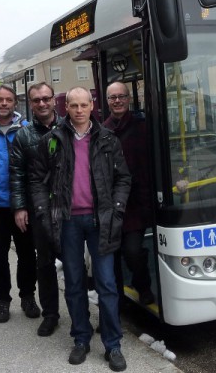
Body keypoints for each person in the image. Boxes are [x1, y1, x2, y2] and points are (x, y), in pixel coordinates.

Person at [29, 86, 131, 370]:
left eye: (83, 105)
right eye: (73, 105)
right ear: (66, 108)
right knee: (74, 284)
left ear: (92, 106)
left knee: (107, 285)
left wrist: (118, 209)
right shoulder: (53, 140)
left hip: (101, 221)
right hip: (68, 221)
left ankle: (113, 345)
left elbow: (123, 178)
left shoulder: (108, 139)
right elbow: (37, 179)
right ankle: (81, 339)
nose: (79, 110)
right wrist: (44, 212)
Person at [0, 85, 40, 324]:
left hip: (23, 205)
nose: (4, 104)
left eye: (9, 100)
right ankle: (2, 300)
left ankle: (28, 296)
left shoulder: (27, 130)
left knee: (26, 254)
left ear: (15, 103)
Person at [9, 82, 62, 336]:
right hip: (39, 208)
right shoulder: (23, 135)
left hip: (70, 207)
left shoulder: (70, 127)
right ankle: (50, 315)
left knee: (74, 264)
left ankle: (82, 314)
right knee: (45, 264)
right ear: (30, 104)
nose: (42, 103)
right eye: (36, 100)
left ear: (54, 100)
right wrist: (19, 207)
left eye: (46, 98)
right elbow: (17, 174)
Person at [103, 81, 155, 306]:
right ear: (107, 102)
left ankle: (142, 286)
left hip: (136, 204)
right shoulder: (102, 131)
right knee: (112, 257)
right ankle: (117, 304)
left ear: (128, 99)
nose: (117, 101)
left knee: (133, 252)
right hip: (111, 205)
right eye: (112, 97)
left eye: (121, 97)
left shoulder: (142, 127)